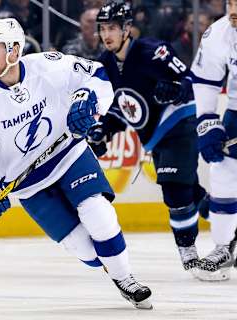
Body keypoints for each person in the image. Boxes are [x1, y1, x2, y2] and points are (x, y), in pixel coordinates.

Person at [0, 18, 152, 309]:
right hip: (28, 184)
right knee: (84, 249)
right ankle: (113, 267)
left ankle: (126, 279)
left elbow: (97, 75)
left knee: (98, 213)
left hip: (70, 155)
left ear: (14, 50)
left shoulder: (48, 65)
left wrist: (87, 99)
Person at [92, 1, 209, 276]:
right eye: (103, 29)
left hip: (179, 122)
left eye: (113, 28)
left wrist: (177, 88)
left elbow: (190, 80)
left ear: (127, 28)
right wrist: (104, 129)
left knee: (173, 188)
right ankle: (231, 231)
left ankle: (188, 253)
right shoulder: (105, 63)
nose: (107, 34)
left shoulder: (152, 51)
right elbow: (119, 106)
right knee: (189, 191)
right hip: (155, 136)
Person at [190, 0, 237, 281]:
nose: (234, 9)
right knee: (223, 172)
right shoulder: (219, 33)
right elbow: (206, 80)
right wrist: (207, 120)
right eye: (230, 1)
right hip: (236, 108)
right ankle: (223, 249)